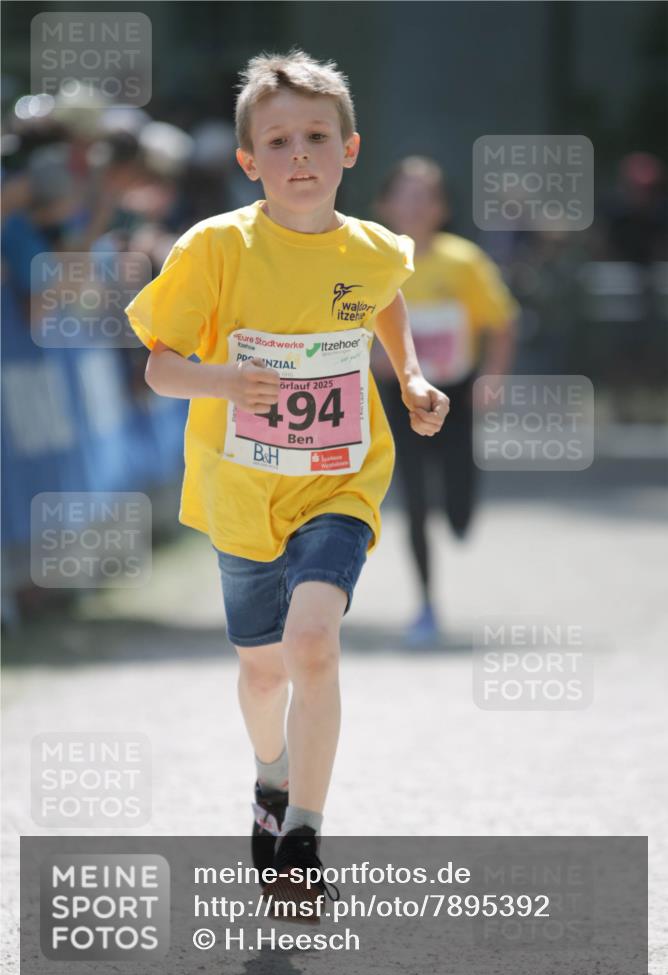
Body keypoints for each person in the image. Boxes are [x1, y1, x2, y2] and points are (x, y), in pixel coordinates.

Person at [124, 50, 449, 920]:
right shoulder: (216, 249)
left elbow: (381, 297)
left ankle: (302, 833)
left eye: (316, 136)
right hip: (241, 491)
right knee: (263, 674)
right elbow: (159, 370)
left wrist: (410, 376)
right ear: (249, 161)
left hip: (339, 481)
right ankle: (271, 776)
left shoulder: (377, 248)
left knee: (313, 643)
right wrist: (225, 382)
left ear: (349, 149)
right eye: (278, 141)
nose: (299, 154)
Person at [371, 157, 518, 647]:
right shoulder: (371, 261)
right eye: (406, 195)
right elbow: (344, 329)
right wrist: (374, 361)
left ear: (442, 208)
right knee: (412, 498)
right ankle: (427, 604)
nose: (416, 205)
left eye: (426, 195)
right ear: (385, 205)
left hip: (455, 390)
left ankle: (460, 508)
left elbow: (502, 322)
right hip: (397, 395)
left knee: (457, 506)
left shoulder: (464, 261)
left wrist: (492, 379)